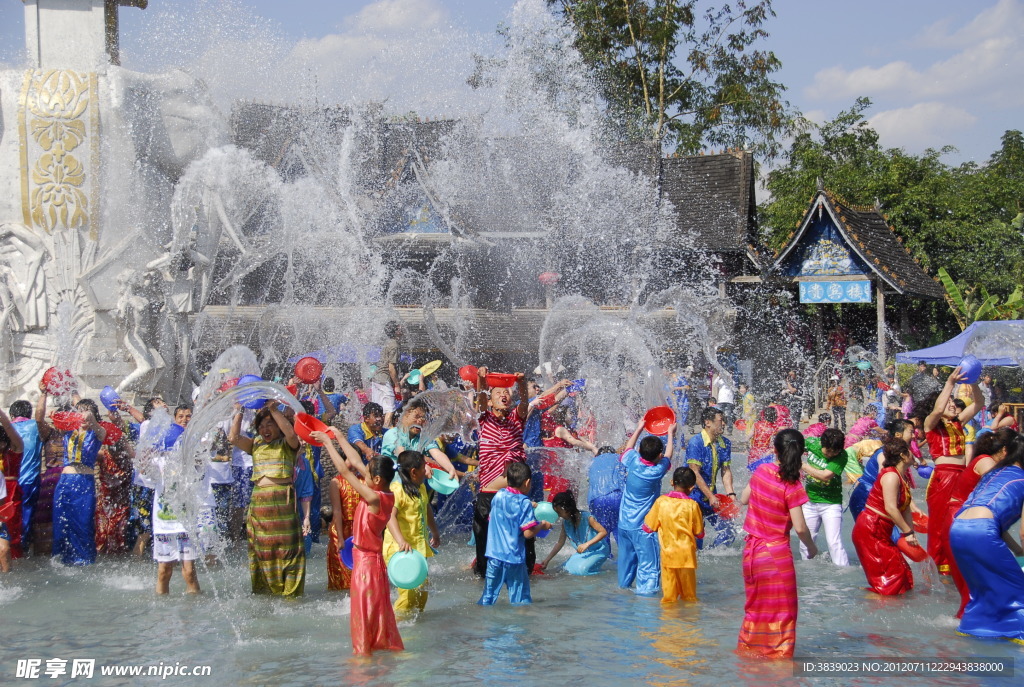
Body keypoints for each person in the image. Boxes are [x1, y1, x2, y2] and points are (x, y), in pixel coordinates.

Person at [313, 430, 404, 655]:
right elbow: (353, 460)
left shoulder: (373, 497)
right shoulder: (385, 492)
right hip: (374, 563)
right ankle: (379, 650)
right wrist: (338, 436)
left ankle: (362, 657)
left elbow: (344, 469)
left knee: (362, 612)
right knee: (376, 611)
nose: (363, 470)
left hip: (365, 565)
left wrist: (327, 443)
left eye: (368, 471)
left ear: (376, 480)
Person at [737, 429, 816, 658]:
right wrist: (811, 547)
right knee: (783, 612)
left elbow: (743, 499)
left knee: (755, 608)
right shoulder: (792, 486)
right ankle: (778, 664)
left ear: (775, 451)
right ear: (801, 453)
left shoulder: (761, 470)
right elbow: (800, 527)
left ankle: (750, 653)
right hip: (775, 556)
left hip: (752, 553)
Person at [948, 432, 1024, 643]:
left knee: (982, 591)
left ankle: (974, 628)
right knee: (1019, 591)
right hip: (982, 530)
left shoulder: (992, 474)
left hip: (957, 529)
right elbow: (1023, 532)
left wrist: (1018, 551)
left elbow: (988, 517)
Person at [228, 402, 305, 597]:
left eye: (269, 425)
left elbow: (290, 433)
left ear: (278, 425)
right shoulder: (255, 444)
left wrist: (272, 409)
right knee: (262, 548)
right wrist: (239, 410)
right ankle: (266, 592)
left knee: (288, 548)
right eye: (261, 426)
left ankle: (290, 593)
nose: (265, 429)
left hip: (282, 502)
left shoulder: (289, 443)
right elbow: (233, 438)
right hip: (260, 503)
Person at [922, 367, 982, 575]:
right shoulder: (930, 424)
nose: (953, 406)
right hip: (943, 477)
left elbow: (979, 403)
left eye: (953, 404)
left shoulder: (958, 423)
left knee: (958, 522)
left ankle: (955, 565)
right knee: (938, 526)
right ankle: (937, 569)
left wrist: (972, 381)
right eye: (949, 403)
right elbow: (938, 411)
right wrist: (950, 383)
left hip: (962, 477)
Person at [472, 368, 531, 577]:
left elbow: (524, 403)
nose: (503, 395)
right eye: (498, 393)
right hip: (489, 494)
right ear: (490, 399)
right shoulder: (484, 418)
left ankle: (526, 572)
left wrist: (522, 384)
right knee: (484, 538)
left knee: (522, 536)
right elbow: (480, 399)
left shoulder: (517, 418)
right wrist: (481, 379)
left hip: (515, 496)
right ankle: (482, 573)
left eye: (507, 392)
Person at [478, 462, 552, 605]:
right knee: (520, 599)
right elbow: (528, 534)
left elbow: (502, 513)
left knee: (488, 597)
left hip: (494, 556)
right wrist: (542, 525)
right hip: (513, 559)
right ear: (527, 482)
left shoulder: (498, 496)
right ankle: (518, 627)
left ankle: (487, 626)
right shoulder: (523, 503)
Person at [851, 437, 917, 596]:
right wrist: (907, 532)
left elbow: (905, 508)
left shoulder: (902, 476)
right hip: (871, 530)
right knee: (890, 580)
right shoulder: (891, 475)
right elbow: (891, 508)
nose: (913, 452)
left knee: (903, 576)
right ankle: (870, 612)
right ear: (902, 455)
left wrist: (910, 534)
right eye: (909, 450)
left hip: (880, 531)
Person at [617, 420, 674, 596]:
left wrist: (639, 427)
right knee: (649, 567)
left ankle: (623, 594)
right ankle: (645, 604)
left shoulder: (632, 461)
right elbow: (669, 456)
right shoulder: (655, 471)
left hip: (624, 523)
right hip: (643, 527)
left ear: (640, 451)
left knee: (626, 564)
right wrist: (670, 433)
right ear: (659, 455)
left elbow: (628, 448)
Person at [382, 450, 440, 616]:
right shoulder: (396, 489)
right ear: (413, 472)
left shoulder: (419, 486)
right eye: (424, 467)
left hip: (418, 549)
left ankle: (416, 631)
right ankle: (398, 631)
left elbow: (426, 507)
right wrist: (401, 541)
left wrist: (435, 532)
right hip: (400, 550)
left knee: (421, 595)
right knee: (408, 597)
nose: (427, 470)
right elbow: (389, 516)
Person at [151, 430, 201, 595]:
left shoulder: (192, 462)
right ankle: (162, 612)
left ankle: (193, 612)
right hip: (164, 525)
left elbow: (201, 463)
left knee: (189, 573)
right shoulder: (159, 462)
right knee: (164, 572)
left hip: (186, 524)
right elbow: (145, 471)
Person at [643, 467, 704, 603]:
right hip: (686, 557)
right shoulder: (693, 505)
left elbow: (648, 528)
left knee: (668, 598)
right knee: (690, 597)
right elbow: (699, 533)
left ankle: (668, 623)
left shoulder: (661, 502)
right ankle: (689, 623)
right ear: (692, 487)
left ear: (672, 482)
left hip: (668, 556)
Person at [686, 407, 735, 548]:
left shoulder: (725, 443)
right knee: (695, 539)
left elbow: (725, 471)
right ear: (708, 422)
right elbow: (695, 472)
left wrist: (730, 493)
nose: (724, 424)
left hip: (711, 497)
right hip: (693, 496)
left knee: (728, 531)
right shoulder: (696, 442)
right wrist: (710, 496)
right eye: (721, 420)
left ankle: (712, 553)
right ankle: (698, 562)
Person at [798, 428, 849, 565]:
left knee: (834, 542)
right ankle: (808, 569)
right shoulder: (812, 443)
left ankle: (843, 573)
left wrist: (802, 465)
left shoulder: (842, 456)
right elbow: (793, 444)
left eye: (835, 451)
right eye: (829, 451)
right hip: (809, 502)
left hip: (831, 504)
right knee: (806, 540)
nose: (831, 455)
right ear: (822, 444)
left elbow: (825, 476)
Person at [539, 490, 609, 576]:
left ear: (567, 509)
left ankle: (607, 574)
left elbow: (603, 532)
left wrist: (586, 544)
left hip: (599, 550)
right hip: (583, 553)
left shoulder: (587, 518)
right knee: (562, 570)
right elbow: (560, 543)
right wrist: (547, 560)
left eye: (559, 512)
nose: (558, 515)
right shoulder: (565, 523)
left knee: (583, 571)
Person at [10, 400, 41, 555]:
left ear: (12, 414)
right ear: (29, 414)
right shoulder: (36, 427)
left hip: (9, 483)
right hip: (30, 480)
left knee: (9, 516)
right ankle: (24, 547)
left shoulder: (8, 430)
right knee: (27, 514)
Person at [587, 445, 627, 540]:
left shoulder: (592, 463)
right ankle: (624, 553)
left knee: (602, 532)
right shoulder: (620, 458)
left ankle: (605, 553)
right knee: (621, 531)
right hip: (617, 496)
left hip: (596, 499)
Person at [0, 407, 25, 558]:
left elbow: (9, 429)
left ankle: (14, 559)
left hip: (11, 494)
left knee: (12, 529)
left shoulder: (14, 451)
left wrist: (2, 416)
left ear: (3, 442)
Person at [370, 321, 404, 428]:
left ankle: (377, 431)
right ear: (395, 331)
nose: (401, 328)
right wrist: (397, 385)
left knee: (378, 409)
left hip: (377, 379)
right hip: (384, 379)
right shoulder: (394, 345)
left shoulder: (389, 343)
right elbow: (391, 368)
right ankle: (385, 433)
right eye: (399, 327)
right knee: (390, 409)